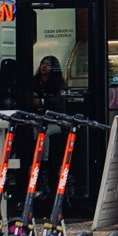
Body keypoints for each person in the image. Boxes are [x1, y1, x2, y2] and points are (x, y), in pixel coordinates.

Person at [31, 55, 66, 204]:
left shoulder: (58, 84)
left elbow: (60, 103)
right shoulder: (34, 82)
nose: (44, 66)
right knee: (34, 132)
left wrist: (43, 102)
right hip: (36, 120)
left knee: (42, 134)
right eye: (42, 63)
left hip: (54, 122)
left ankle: (43, 173)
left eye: (48, 64)